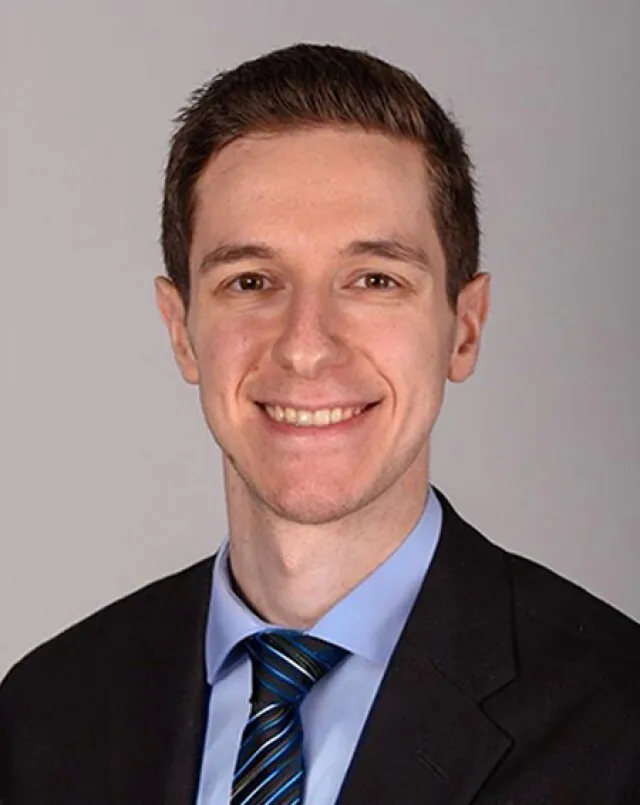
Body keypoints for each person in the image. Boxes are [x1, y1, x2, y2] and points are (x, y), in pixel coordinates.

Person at [0, 42, 638, 805]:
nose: (306, 345)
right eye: (251, 280)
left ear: (464, 329)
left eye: (374, 279)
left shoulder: (618, 718)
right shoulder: (46, 710)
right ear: (181, 330)